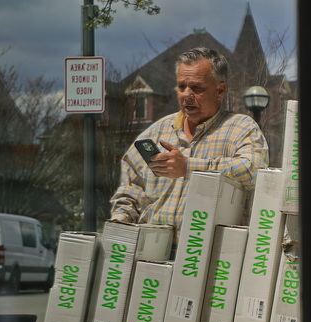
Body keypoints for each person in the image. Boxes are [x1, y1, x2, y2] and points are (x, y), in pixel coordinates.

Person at [110, 47, 269, 233]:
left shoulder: (241, 127)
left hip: (212, 255)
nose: (186, 94)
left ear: (220, 90)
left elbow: (255, 172)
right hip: (153, 252)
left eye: (196, 87)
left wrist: (188, 167)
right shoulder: (155, 133)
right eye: (181, 87)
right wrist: (119, 223)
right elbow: (131, 190)